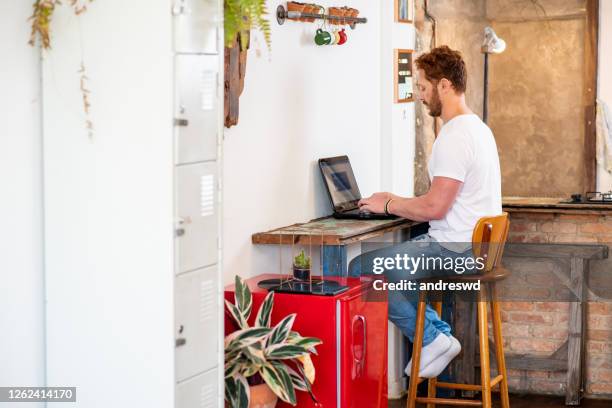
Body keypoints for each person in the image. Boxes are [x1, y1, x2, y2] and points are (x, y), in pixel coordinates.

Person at [349, 45, 502, 379]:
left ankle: (432, 338)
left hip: (454, 251)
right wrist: (397, 199)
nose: (419, 94)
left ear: (444, 85)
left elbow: (435, 207)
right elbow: (442, 200)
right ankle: (437, 337)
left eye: (422, 86)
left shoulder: (454, 135)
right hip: (473, 250)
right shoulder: (478, 129)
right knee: (394, 270)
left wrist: (388, 205)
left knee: (360, 269)